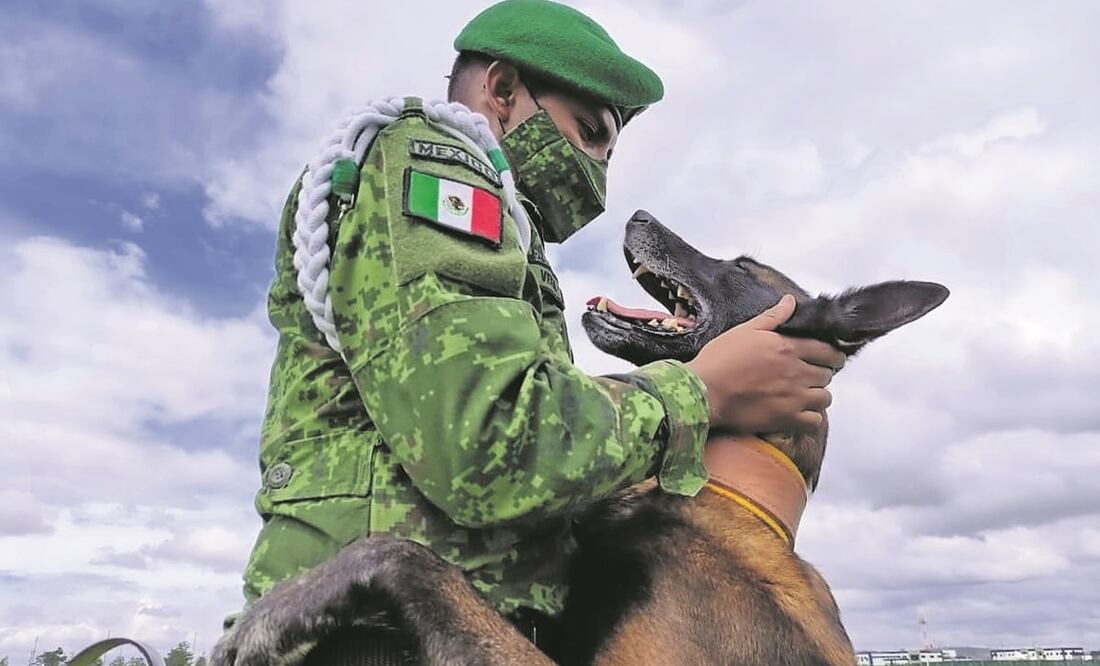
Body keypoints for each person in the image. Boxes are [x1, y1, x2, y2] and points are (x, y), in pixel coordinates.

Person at [233, 0, 844, 659]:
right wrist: (703, 393)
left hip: (474, 631)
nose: (599, 171)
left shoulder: (512, 236)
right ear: (501, 90)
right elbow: (487, 442)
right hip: (379, 635)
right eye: (589, 132)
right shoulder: (433, 166)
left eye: (610, 150)